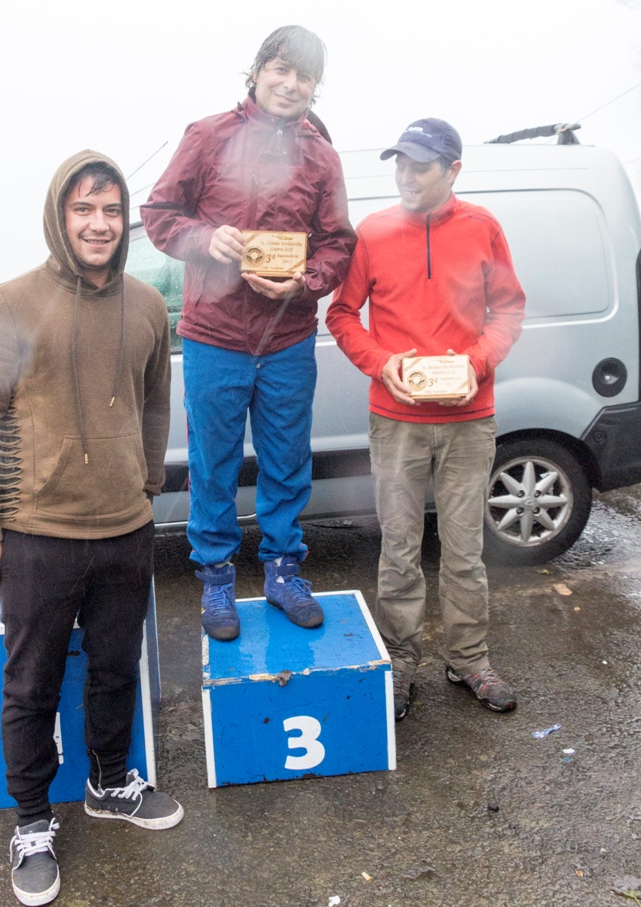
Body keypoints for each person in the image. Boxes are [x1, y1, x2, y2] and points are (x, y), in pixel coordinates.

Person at [0, 150, 183, 907]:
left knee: (116, 667)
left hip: (124, 528)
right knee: (32, 684)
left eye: (111, 210)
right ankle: (30, 821)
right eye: (84, 208)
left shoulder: (147, 305)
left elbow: (155, 401)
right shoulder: (11, 304)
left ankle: (110, 783)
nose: (99, 223)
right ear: (60, 215)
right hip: (36, 533)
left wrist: (147, 483)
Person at [141, 25, 356, 642]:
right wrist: (204, 238)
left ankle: (284, 572)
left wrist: (305, 282)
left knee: (287, 462)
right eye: (281, 69)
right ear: (257, 71)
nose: (291, 84)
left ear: (315, 87)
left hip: (288, 340)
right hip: (214, 337)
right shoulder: (207, 136)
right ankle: (216, 578)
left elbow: (338, 243)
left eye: (305, 76)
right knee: (213, 464)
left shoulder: (322, 156)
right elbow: (158, 215)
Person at [326, 118, 526, 720]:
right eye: (400, 163)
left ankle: (468, 660)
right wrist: (381, 363)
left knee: (464, 551)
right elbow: (341, 314)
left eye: (420, 165)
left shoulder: (484, 227)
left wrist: (477, 363)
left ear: (453, 170)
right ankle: (399, 662)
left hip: (469, 420)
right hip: (396, 421)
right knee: (399, 549)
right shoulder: (374, 231)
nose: (406, 176)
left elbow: (509, 309)